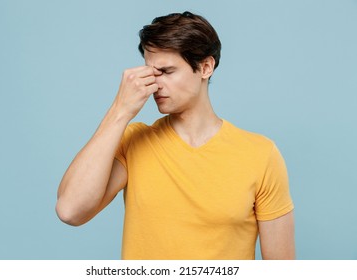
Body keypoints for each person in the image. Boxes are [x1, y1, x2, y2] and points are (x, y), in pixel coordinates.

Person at [56, 11, 295, 260]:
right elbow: (70, 210)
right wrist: (120, 110)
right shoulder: (133, 142)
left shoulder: (260, 155)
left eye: (167, 72)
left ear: (205, 67)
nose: (155, 85)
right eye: (150, 72)